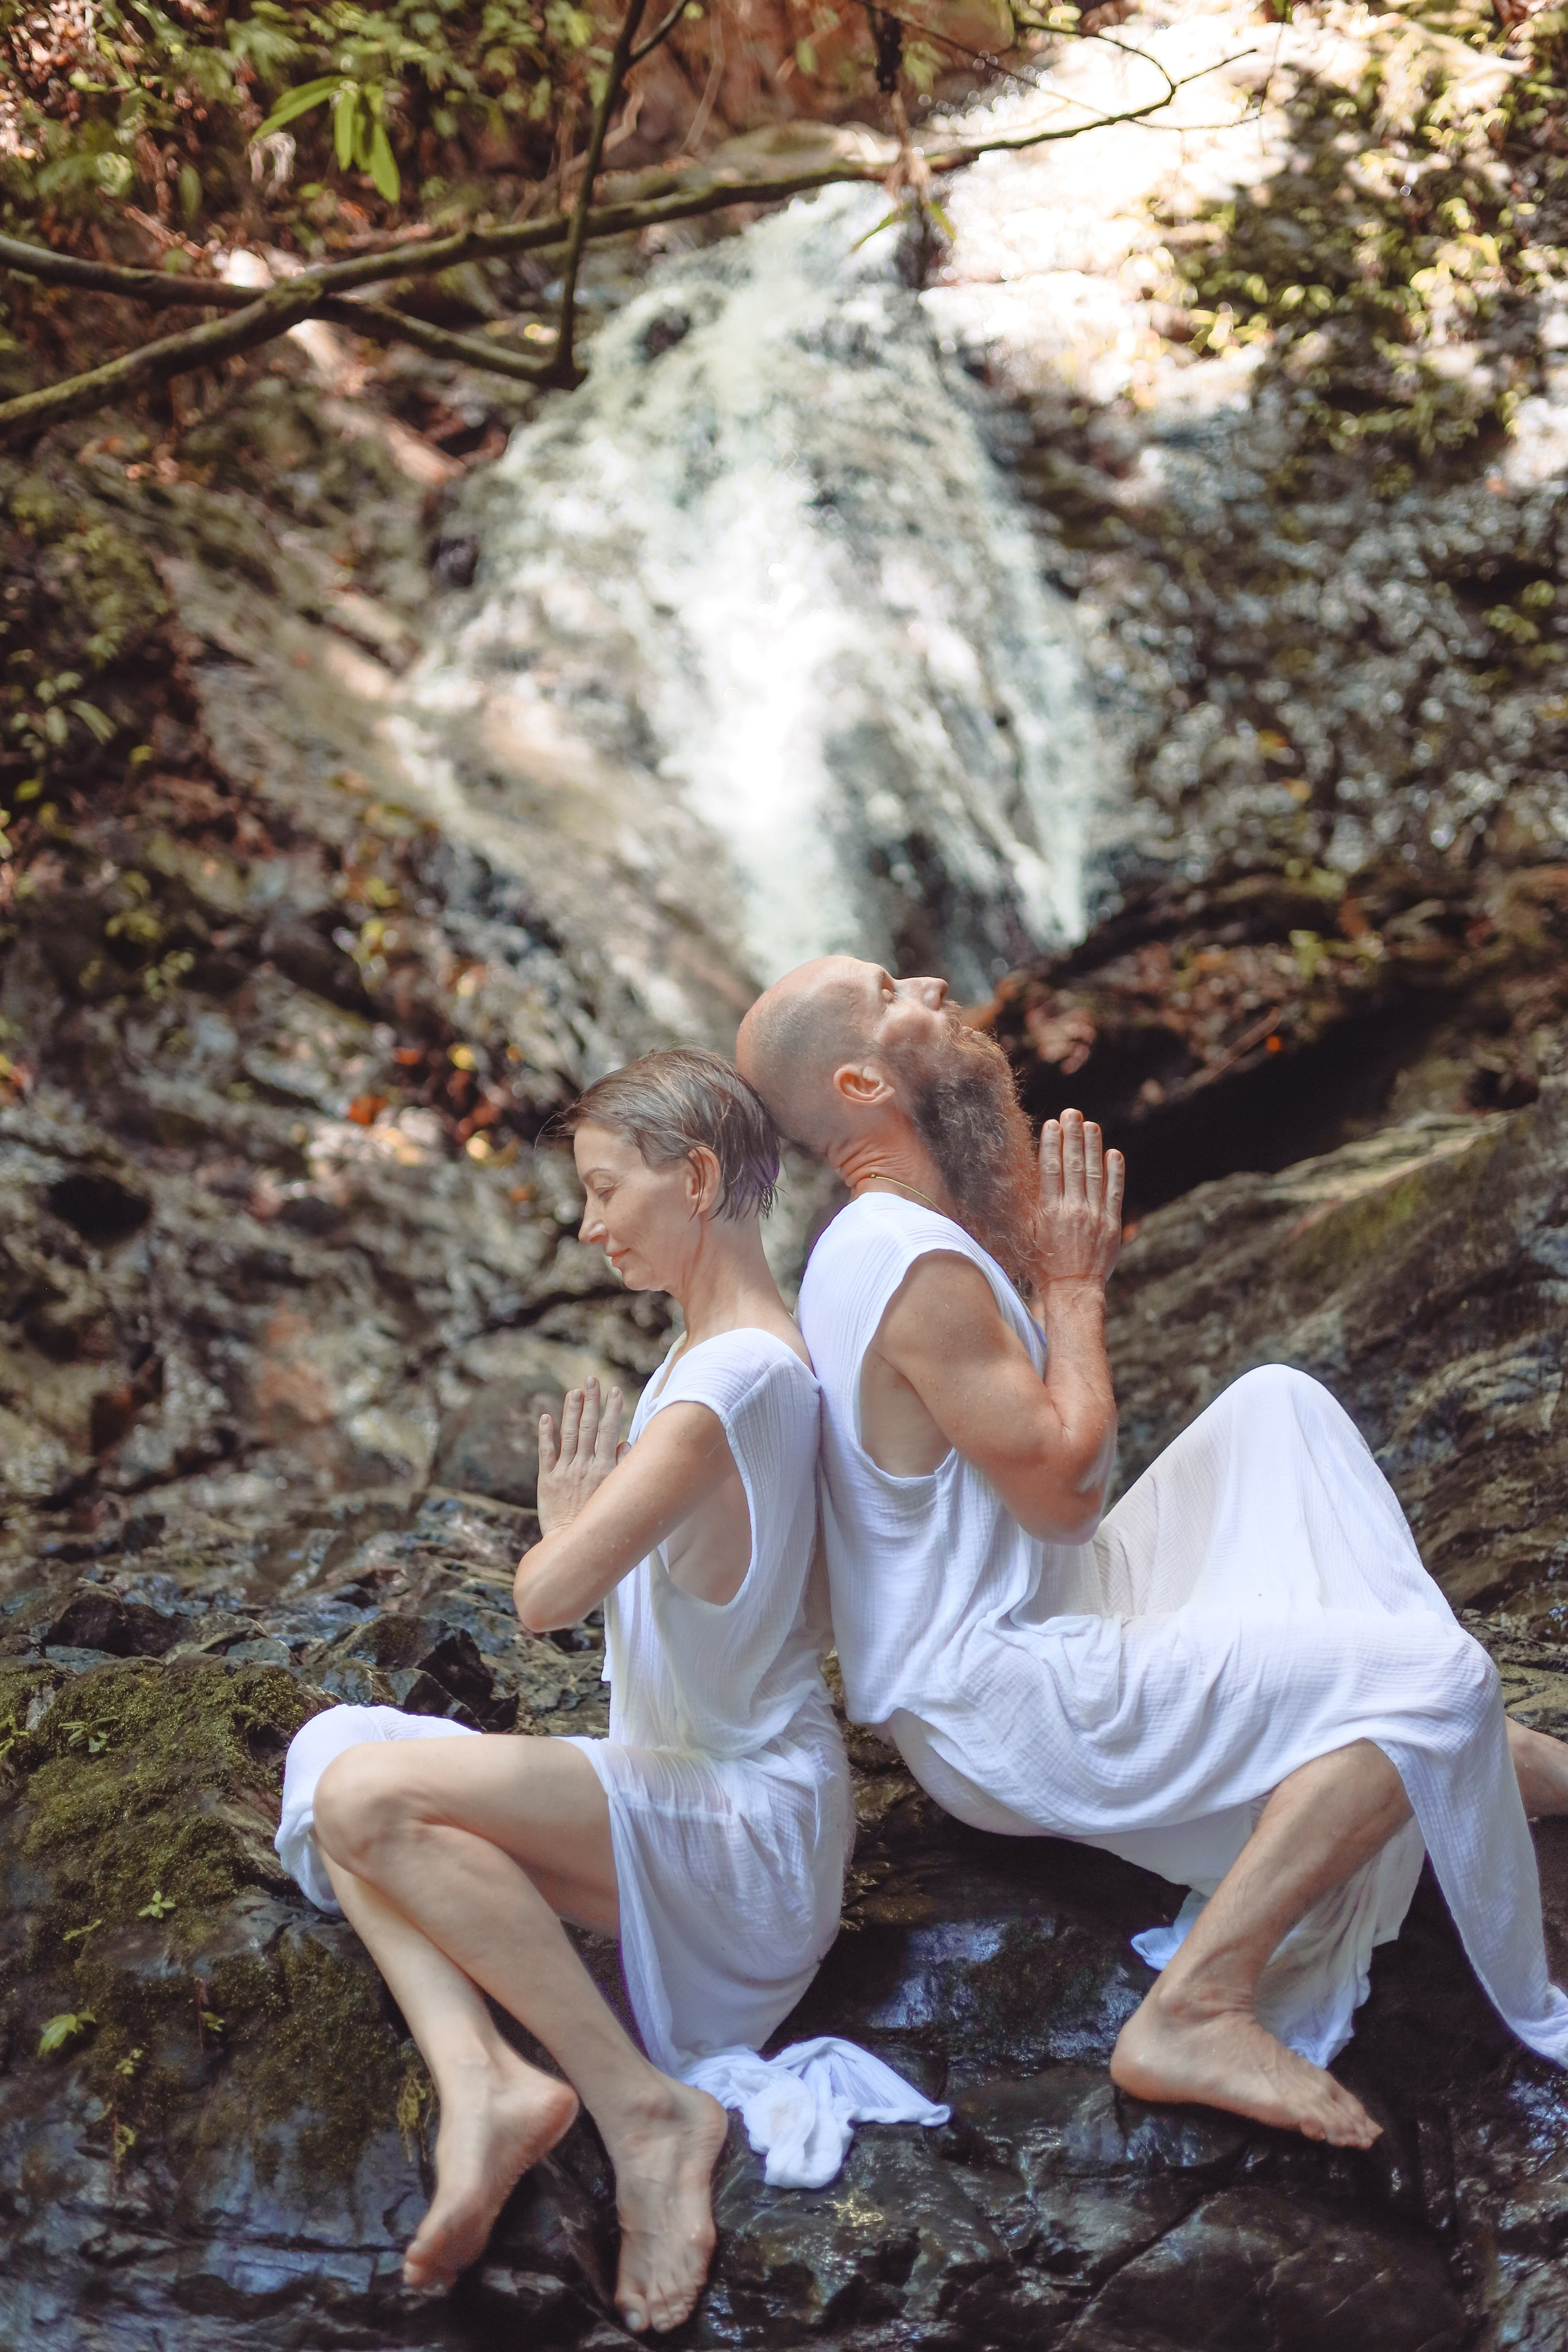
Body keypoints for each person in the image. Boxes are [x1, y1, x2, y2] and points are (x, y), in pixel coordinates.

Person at [736, 957, 1568, 2150]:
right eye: (890, 986)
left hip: (1047, 1605)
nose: (928, 981)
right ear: (864, 1078)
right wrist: (1072, 1288)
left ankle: (1479, 1764)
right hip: (1008, 1693)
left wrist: (1045, 1266)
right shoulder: (903, 1263)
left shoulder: (890, 1234)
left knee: (1276, 1411)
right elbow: (1068, 1492)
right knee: (1432, 1684)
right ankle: (1197, 2006)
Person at [273, 1047, 943, 2337]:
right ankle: (481, 2085)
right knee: (332, 1748)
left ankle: (639, 2110)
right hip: (719, 1810)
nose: (585, 1226)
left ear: (694, 1177)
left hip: (740, 1833)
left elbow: (543, 1599)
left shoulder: (726, 1380)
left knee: (368, 1798)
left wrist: (562, 1521)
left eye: (600, 1189)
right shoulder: (744, 1353)